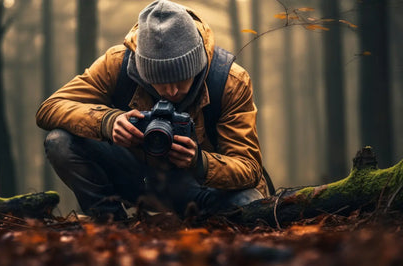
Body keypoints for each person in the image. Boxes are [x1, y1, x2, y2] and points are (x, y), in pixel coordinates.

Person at [36, 0, 269, 221]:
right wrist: (108, 122)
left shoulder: (229, 81)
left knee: (248, 202)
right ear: (142, 70)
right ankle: (110, 225)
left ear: (197, 64)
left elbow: (249, 168)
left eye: (181, 78)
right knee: (59, 142)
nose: (172, 90)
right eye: (159, 81)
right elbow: (50, 108)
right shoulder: (117, 65)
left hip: (200, 188)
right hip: (139, 177)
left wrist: (200, 162)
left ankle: (203, 231)